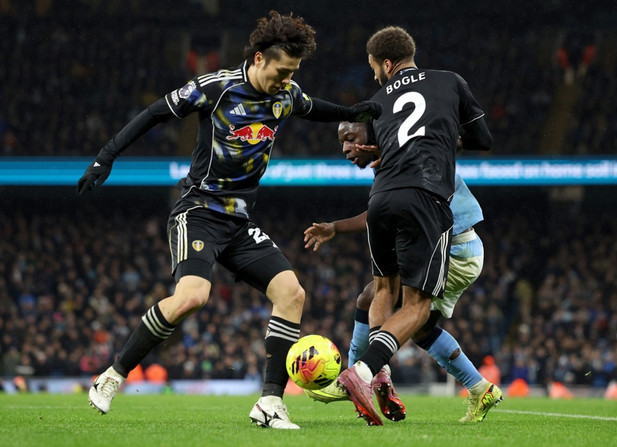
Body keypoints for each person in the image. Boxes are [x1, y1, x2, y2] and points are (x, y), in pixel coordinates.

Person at [77, 11, 381, 430]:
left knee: (292, 293)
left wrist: (356, 113)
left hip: (238, 222)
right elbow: (155, 113)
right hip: (198, 211)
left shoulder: (286, 96)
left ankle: (270, 403)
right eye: (282, 71)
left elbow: (318, 110)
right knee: (193, 296)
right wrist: (106, 156)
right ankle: (112, 375)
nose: (287, 80)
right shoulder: (216, 88)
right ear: (258, 59)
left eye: (293, 73)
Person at [332, 26, 494, 426]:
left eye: (374, 68)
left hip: (420, 221)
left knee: (394, 303)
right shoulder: (449, 82)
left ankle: (364, 372)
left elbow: (381, 140)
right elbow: (482, 138)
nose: (374, 77)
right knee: (409, 313)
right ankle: (370, 373)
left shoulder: (377, 103)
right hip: (424, 206)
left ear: (387, 63)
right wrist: (446, 136)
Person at [303, 121, 502, 424]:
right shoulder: (392, 159)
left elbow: (451, 147)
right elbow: (380, 213)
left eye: (350, 139)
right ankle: (480, 388)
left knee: (373, 297)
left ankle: (360, 375)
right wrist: (335, 227)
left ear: (371, 136)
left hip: (453, 249)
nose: (345, 149)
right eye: (342, 142)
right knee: (418, 328)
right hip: (454, 248)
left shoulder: (405, 153)